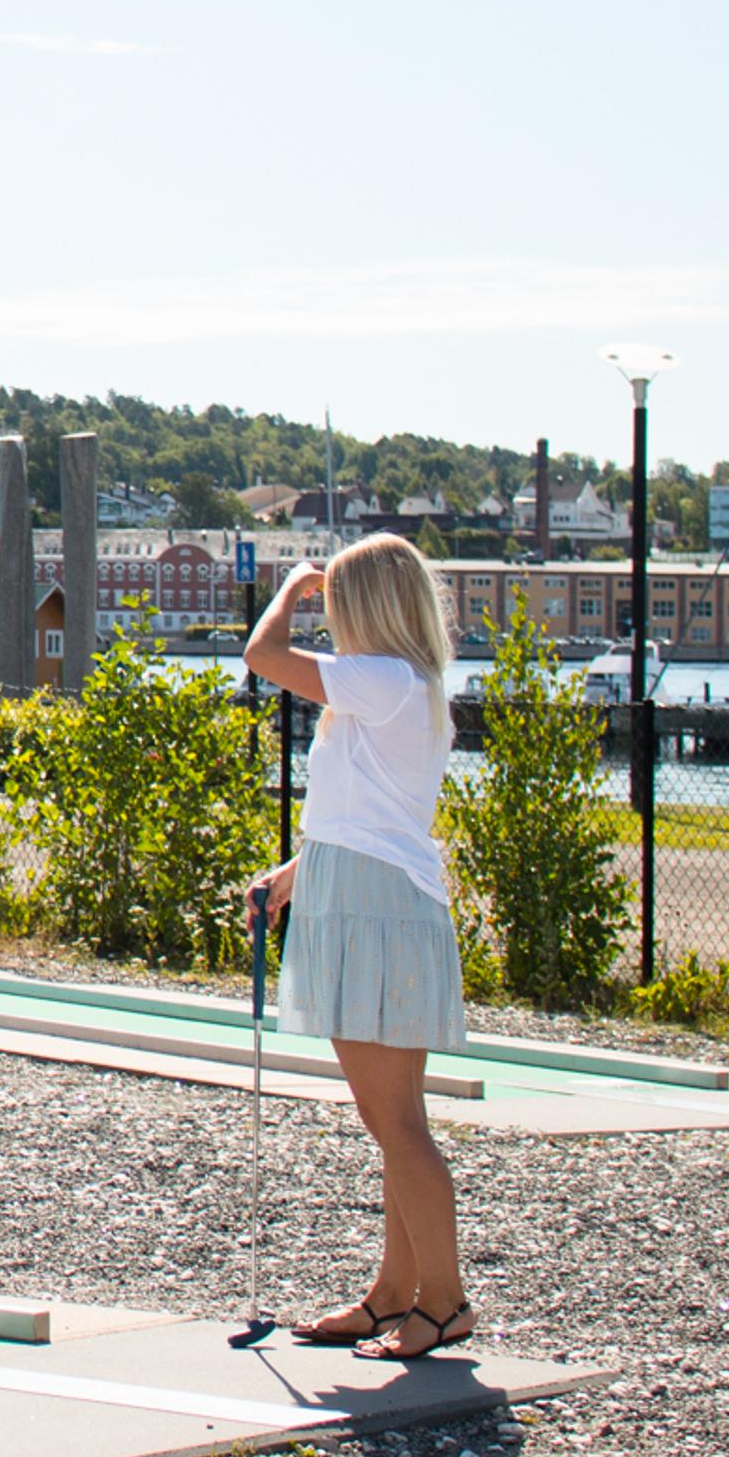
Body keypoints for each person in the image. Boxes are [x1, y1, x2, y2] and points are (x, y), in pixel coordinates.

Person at [239, 535, 472, 1359]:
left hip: (372, 905)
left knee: (395, 1121)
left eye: (338, 603)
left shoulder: (381, 678)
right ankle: (394, 1293)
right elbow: (362, 814)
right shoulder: (401, 685)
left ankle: (443, 1300)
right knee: (394, 1119)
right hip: (375, 892)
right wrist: (293, 875)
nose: (330, 617)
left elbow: (261, 655)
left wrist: (292, 589)